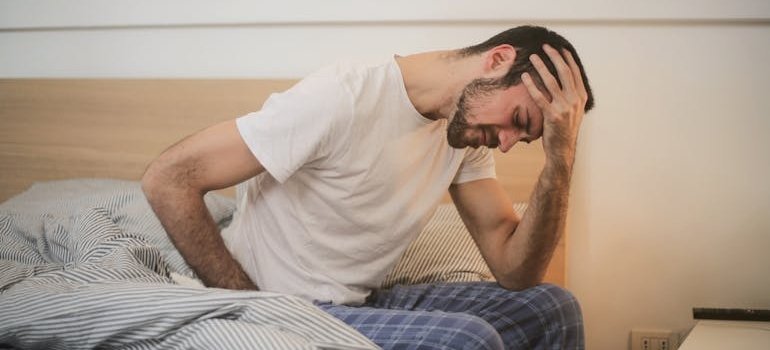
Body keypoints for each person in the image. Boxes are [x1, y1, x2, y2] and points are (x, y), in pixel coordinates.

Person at [142, 25, 595, 349]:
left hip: (356, 302)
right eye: (518, 120)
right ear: (497, 60)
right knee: (467, 341)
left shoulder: (464, 136)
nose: (508, 143)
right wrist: (251, 305)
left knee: (552, 308)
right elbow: (169, 178)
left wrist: (560, 159)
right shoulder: (342, 97)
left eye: (525, 138)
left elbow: (516, 272)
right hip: (282, 303)